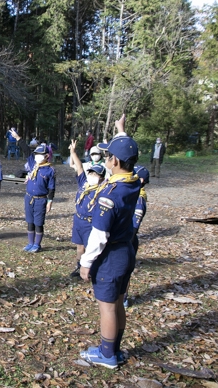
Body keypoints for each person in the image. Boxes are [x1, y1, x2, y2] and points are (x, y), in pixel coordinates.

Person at [78, 132, 141, 369]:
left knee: (107, 307)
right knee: (117, 302)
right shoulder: (132, 182)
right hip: (126, 249)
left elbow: (99, 234)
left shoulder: (110, 194)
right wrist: (121, 131)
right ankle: (114, 348)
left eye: (107, 156)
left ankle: (107, 355)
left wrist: (86, 261)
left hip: (111, 255)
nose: (105, 159)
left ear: (114, 161)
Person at [10, 129, 56, 252]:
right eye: (36, 154)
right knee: (30, 222)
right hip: (29, 197)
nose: (37, 156)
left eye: (40, 154)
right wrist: (18, 138)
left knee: (38, 223)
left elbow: (52, 187)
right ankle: (30, 243)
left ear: (46, 156)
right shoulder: (33, 164)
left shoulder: (50, 170)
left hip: (41, 200)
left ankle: (37, 244)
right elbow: (26, 150)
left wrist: (50, 201)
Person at [68, 139, 106, 278]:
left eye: (95, 174)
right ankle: (79, 268)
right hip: (79, 220)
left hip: (91, 222)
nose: (92, 176)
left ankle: (92, 270)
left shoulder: (103, 190)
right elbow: (79, 167)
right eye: (90, 173)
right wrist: (73, 152)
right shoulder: (84, 184)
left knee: (91, 248)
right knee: (79, 247)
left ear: (102, 178)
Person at [123, 165, 149, 308]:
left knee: (125, 272)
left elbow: (134, 226)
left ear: (141, 179)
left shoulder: (139, 199)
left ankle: (124, 298)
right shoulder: (131, 193)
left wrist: (125, 243)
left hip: (128, 240)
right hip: (123, 238)